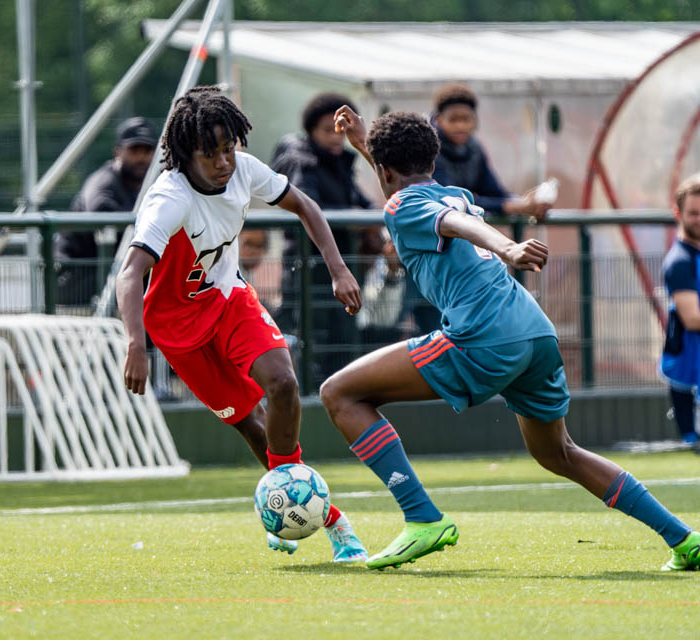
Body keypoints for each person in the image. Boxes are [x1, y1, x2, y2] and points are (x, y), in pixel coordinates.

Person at [321, 106, 700, 571]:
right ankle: (682, 539)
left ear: (383, 171)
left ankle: (421, 517)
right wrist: (367, 145)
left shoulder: (404, 204)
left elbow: (453, 223)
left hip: (482, 336)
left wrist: (509, 247)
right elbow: (436, 203)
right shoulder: (452, 192)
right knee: (559, 452)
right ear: (433, 162)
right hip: (534, 332)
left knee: (339, 393)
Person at [116, 86, 367, 562]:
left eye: (229, 148)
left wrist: (338, 269)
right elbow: (130, 273)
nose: (224, 161)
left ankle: (331, 521)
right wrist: (135, 344)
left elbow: (306, 207)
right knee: (252, 427)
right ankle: (288, 511)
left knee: (284, 383)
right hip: (176, 328)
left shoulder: (245, 170)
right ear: (185, 153)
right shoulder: (168, 199)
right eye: (210, 153)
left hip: (228, 298)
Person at [271, 93, 376, 383]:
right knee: (311, 344)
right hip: (309, 270)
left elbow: (363, 202)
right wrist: (351, 220)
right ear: (311, 131)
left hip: (344, 267)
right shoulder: (300, 161)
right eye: (327, 131)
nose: (335, 138)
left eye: (339, 132)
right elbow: (305, 204)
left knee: (343, 342)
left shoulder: (340, 163)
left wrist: (370, 219)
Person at [60, 117, 157, 305]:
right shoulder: (103, 182)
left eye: (147, 151)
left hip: (109, 272)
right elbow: (100, 212)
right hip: (75, 277)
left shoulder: (151, 184)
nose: (141, 158)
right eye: (134, 150)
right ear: (118, 152)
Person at [431, 83, 553, 219]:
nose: (460, 126)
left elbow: (493, 191)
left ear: (474, 120)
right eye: (453, 120)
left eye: (466, 119)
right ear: (439, 120)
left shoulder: (474, 149)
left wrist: (526, 202)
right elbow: (451, 199)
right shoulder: (430, 151)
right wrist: (513, 206)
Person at [659, 174, 700, 445]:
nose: (699, 219)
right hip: (690, 374)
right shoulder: (679, 262)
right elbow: (693, 319)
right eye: (693, 213)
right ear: (678, 213)